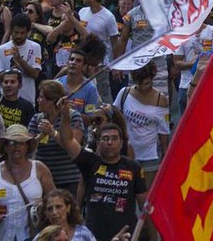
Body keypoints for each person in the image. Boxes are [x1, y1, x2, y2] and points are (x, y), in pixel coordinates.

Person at [55, 96, 147, 241]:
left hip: (126, 234)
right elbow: (67, 140)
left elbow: (145, 208)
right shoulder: (89, 161)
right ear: (98, 142)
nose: (109, 142)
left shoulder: (133, 167)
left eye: (114, 138)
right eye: (105, 139)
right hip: (94, 235)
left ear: (122, 142)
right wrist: (65, 115)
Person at [0, 124, 55, 241]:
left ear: (27, 147)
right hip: (0, 235)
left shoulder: (40, 169)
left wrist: (42, 206)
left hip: (31, 235)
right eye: (11, 143)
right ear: (5, 147)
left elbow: (54, 198)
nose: (16, 147)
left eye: (21, 143)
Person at [111, 61, 169, 182]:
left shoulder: (161, 99)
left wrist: (165, 152)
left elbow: (164, 130)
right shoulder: (124, 93)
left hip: (151, 154)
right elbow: (115, 116)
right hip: (127, 152)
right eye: (139, 84)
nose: (143, 87)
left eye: (147, 83)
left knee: (146, 193)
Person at [0, 14, 43, 103]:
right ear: (11, 31)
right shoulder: (2, 49)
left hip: (27, 99)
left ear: (28, 32)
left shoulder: (35, 47)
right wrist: (12, 70)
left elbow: (35, 74)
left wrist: (20, 61)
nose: (19, 36)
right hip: (5, 100)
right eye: (16, 32)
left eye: (22, 33)